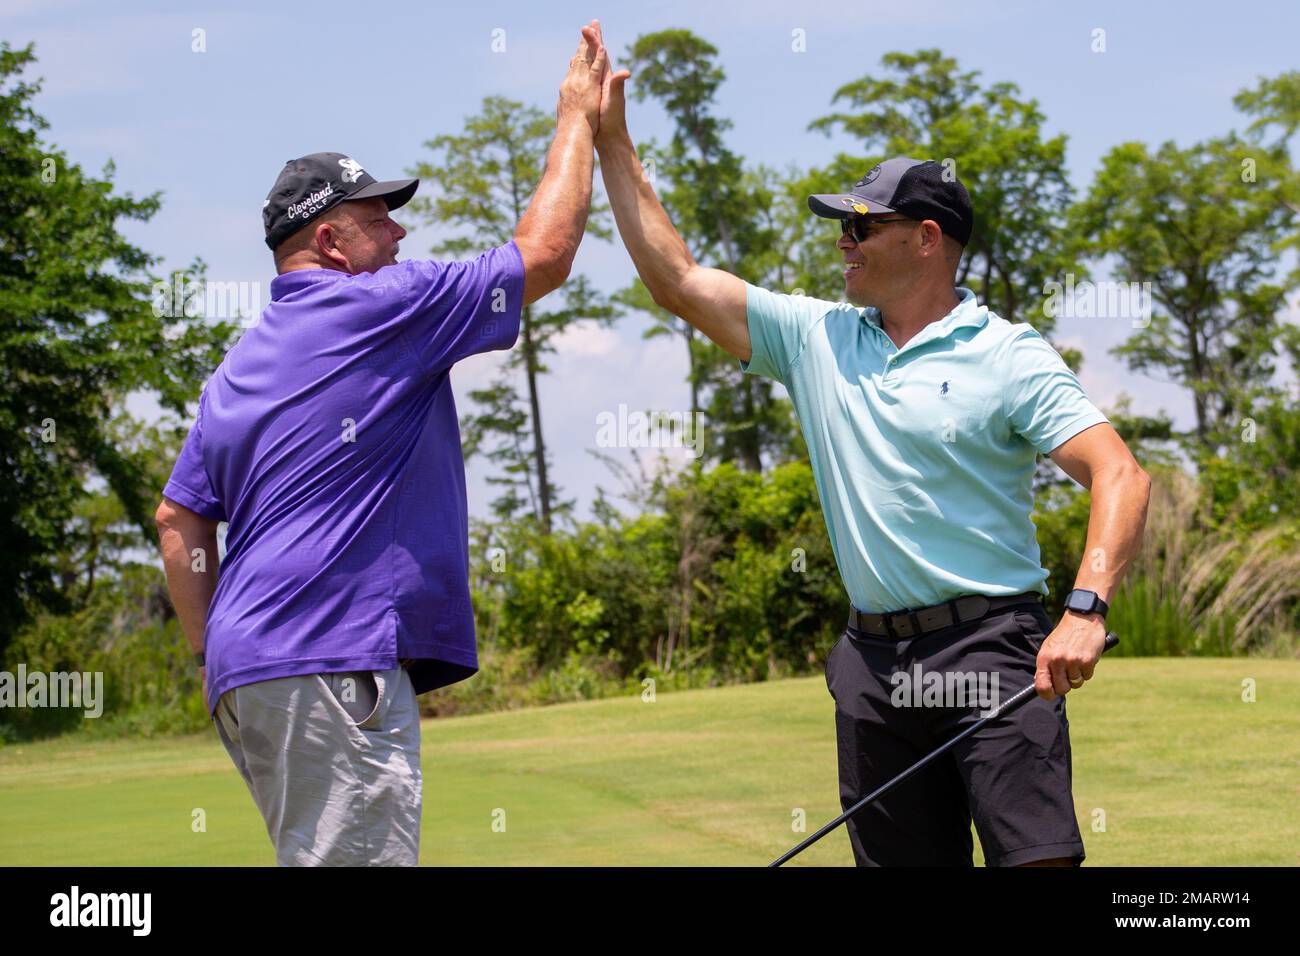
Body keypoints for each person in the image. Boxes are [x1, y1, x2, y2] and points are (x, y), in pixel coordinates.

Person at [588, 23, 1151, 866]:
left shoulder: (1006, 352)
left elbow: (1120, 474)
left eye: (863, 226)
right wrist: (610, 141)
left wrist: (1084, 609)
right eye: (842, 226)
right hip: (872, 664)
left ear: (928, 240)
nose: (842, 240)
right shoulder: (818, 337)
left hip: (991, 647)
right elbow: (677, 279)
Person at [153, 23, 610, 866]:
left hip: (250, 672)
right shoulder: (380, 309)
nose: (399, 237)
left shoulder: (237, 366)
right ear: (330, 242)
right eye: (379, 220)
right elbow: (543, 255)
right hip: (333, 659)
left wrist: (213, 647)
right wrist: (577, 116)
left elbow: (179, 519)